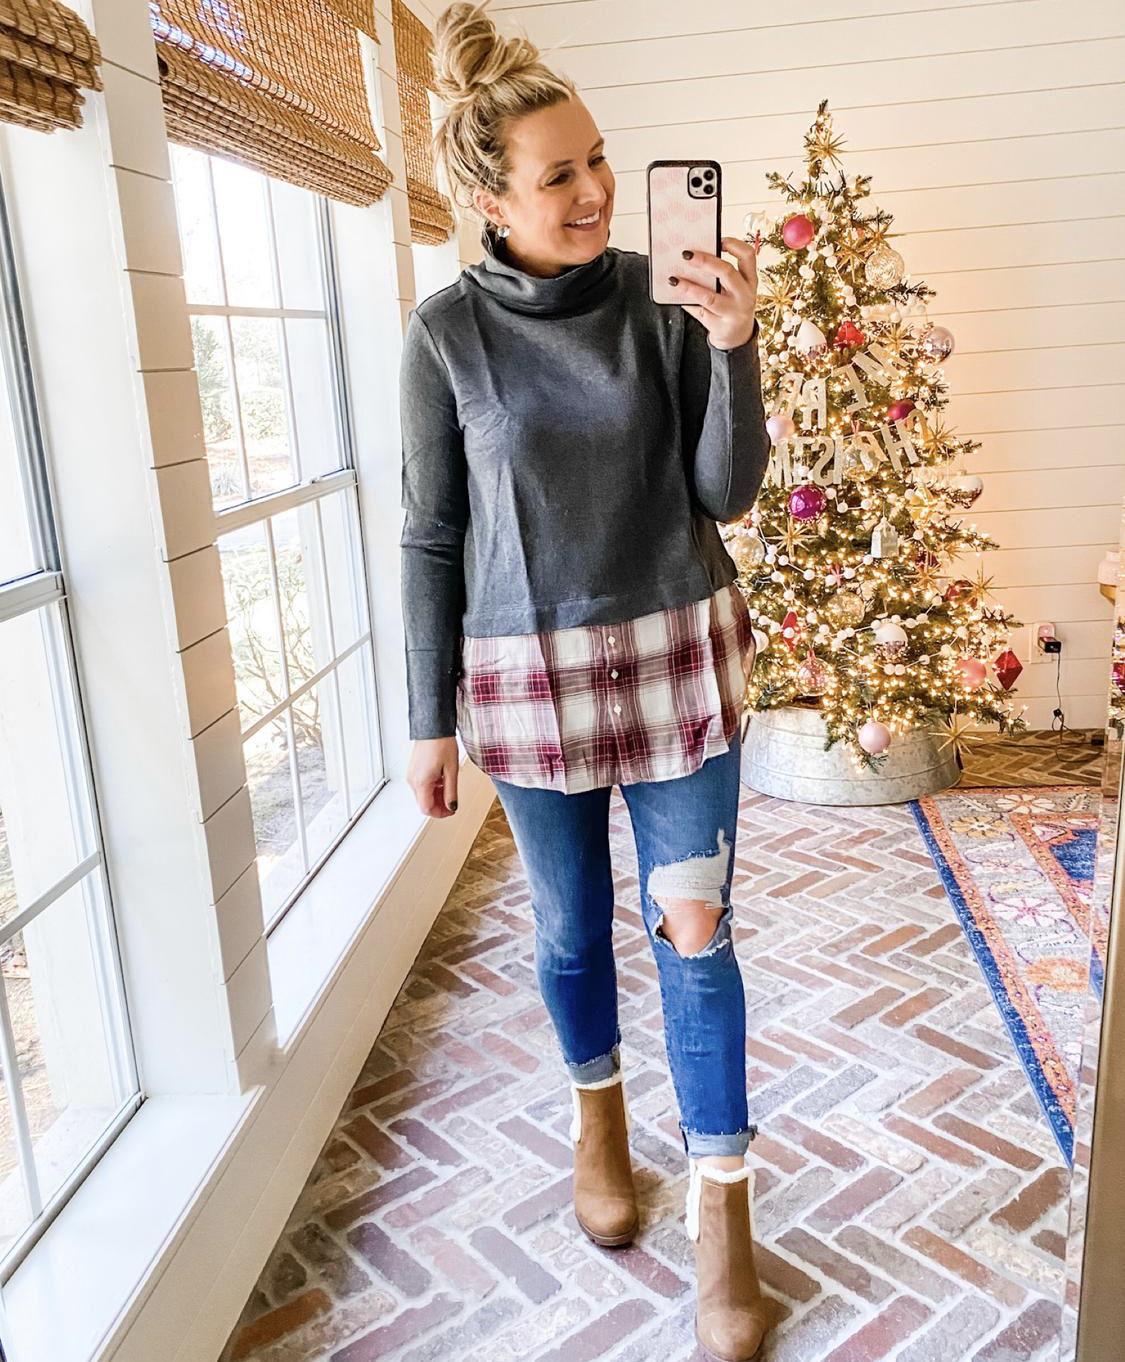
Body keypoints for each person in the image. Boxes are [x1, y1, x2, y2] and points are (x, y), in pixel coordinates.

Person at [399, 4, 774, 1358]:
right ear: (489, 197)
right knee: (565, 934)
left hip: (677, 658)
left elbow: (721, 490)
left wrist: (731, 344)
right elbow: (430, 532)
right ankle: (597, 1124)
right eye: (557, 173)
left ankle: (724, 1210)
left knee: (696, 934)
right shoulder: (444, 334)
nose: (596, 189)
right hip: (521, 686)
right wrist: (421, 716)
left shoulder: (662, 302)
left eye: (599, 160)